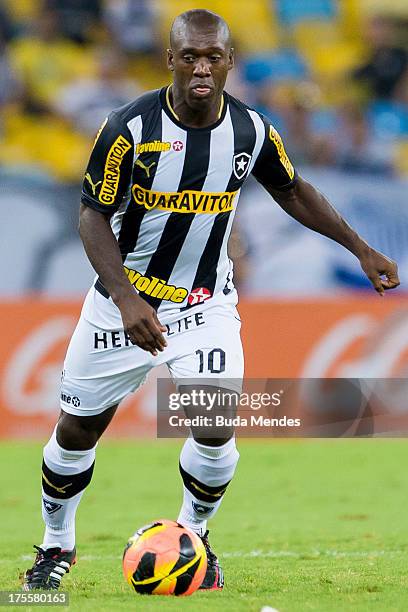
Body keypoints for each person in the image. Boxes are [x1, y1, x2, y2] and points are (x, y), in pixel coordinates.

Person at [23, 9, 400, 592]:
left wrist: (360, 247)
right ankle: (55, 546)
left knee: (214, 424)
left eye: (214, 57)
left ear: (229, 62)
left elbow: (292, 188)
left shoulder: (250, 130)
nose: (202, 67)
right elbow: (92, 215)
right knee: (77, 431)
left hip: (206, 303)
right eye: (191, 57)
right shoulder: (128, 128)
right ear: (171, 59)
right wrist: (126, 299)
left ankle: (193, 540)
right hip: (123, 304)